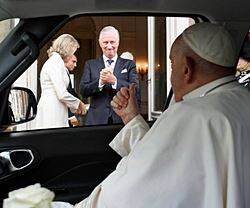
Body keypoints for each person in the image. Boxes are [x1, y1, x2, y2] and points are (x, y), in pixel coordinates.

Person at [75, 23, 250, 207]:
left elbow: (128, 193)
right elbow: (166, 160)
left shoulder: (189, 114)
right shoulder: (244, 99)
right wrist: (131, 118)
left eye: (172, 64)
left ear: (186, 69)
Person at [79, 26, 140, 125]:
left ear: (118, 42)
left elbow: (136, 89)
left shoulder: (129, 64)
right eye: (105, 42)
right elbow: (83, 91)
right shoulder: (90, 64)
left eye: (112, 42)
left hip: (121, 119)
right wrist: (100, 82)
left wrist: (114, 82)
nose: (109, 46)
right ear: (99, 43)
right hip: (96, 120)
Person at [35, 34, 86, 129]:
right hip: (52, 110)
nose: (72, 55)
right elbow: (62, 93)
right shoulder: (55, 62)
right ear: (67, 49)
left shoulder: (57, 62)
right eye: (72, 52)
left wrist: (74, 107)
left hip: (56, 108)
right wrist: (78, 103)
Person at [63, 54, 81, 126]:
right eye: (73, 62)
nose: (75, 65)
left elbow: (71, 91)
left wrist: (79, 102)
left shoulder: (66, 72)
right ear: (65, 60)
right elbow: (65, 94)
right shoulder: (61, 72)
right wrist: (71, 116)